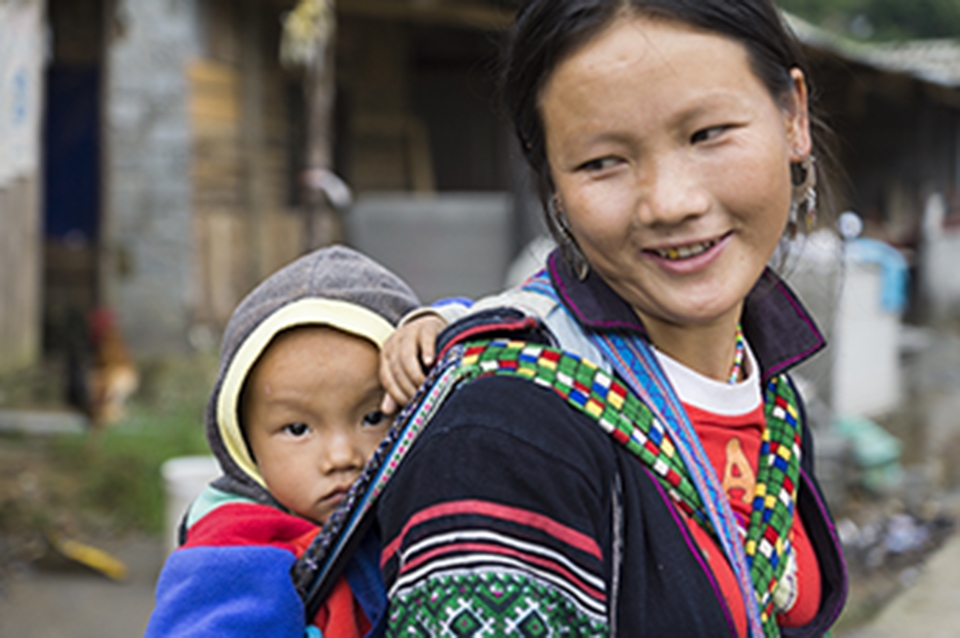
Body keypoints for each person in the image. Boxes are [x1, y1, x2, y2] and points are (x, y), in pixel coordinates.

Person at [373, 1, 848, 636]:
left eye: (708, 134)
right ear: (553, 183)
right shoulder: (503, 441)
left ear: (792, 117)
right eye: (602, 162)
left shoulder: (770, 393)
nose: (671, 203)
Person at [144, 246, 460, 638]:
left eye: (373, 417)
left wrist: (441, 323)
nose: (342, 456)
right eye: (298, 429)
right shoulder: (237, 548)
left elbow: (506, 326)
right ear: (244, 445)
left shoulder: (432, 506)